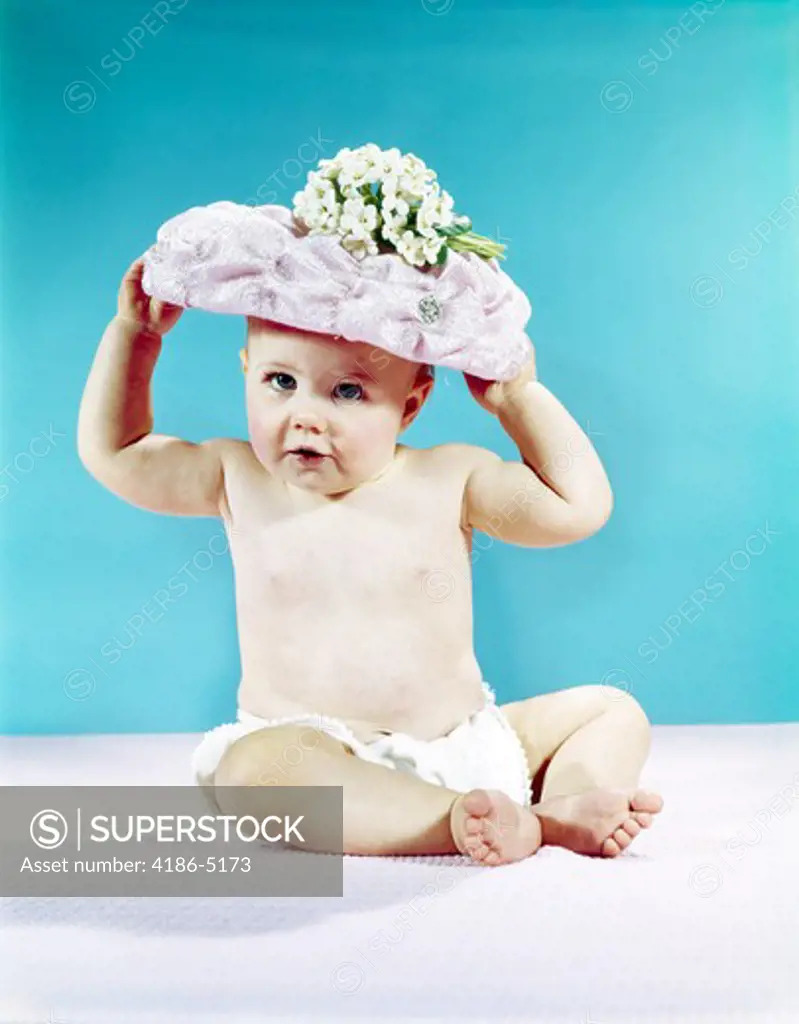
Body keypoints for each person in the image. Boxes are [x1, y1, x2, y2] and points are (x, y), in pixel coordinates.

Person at [77, 254, 663, 868]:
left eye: (347, 391)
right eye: (281, 381)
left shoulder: (450, 476)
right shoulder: (233, 475)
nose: (306, 415)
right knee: (250, 773)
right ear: (246, 371)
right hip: (317, 757)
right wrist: (136, 338)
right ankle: (454, 820)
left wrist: (518, 397)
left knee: (612, 712)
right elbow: (115, 451)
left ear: (410, 405)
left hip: (462, 744)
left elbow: (579, 507)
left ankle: (554, 811)